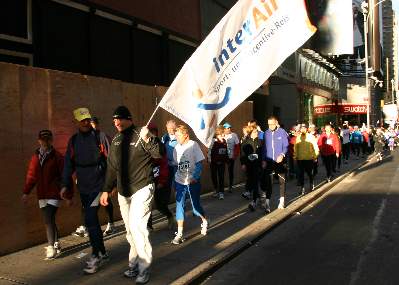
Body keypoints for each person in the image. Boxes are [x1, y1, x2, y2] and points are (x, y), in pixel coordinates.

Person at [100, 106, 161, 284]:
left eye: (119, 118)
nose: (116, 122)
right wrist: (106, 188)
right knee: (129, 231)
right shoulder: (117, 140)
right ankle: (133, 265)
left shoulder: (142, 133)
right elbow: (111, 167)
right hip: (123, 192)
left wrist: (149, 139)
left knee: (138, 228)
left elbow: (159, 153)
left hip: (142, 187)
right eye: (114, 119)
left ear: (129, 118)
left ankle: (144, 269)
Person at [60, 107, 110, 274]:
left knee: (90, 218)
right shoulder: (73, 141)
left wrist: (110, 186)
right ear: (76, 122)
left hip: (98, 185)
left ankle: (96, 255)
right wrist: (65, 185)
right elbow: (68, 164)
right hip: (83, 186)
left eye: (87, 119)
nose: (85, 123)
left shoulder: (99, 137)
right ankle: (102, 252)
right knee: (92, 220)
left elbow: (111, 162)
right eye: (82, 120)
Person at [22, 130, 65, 260]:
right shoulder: (35, 157)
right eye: (42, 139)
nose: (45, 142)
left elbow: (65, 175)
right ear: (39, 140)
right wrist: (26, 192)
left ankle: (51, 247)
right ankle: (57, 243)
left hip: (54, 193)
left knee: (47, 218)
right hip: (42, 194)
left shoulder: (57, 156)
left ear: (51, 140)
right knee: (50, 219)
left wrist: (67, 193)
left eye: (47, 139)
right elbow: (31, 176)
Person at [171, 125, 208, 245]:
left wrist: (194, 177)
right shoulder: (176, 147)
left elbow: (200, 163)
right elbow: (177, 165)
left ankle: (204, 220)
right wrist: (174, 182)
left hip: (192, 182)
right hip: (180, 181)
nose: (176, 138)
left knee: (196, 207)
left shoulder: (193, 145)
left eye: (178, 135)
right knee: (179, 207)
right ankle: (180, 234)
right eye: (175, 136)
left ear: (185, 135)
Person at [146, 122, 175, 231]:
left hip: (159, 180)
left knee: (159, 205)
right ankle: (148, 226)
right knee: (147, 204)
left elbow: (163, 164)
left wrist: (162, 181)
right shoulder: (143, 144)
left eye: (153, 132)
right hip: (147, 179)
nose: (151, 134)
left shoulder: (160, 145)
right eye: (150, 132)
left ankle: (169, 215)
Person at [90, 116, 115, 236]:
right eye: (90, 124)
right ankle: (87, 226)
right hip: (91, 175)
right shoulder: (87, 139)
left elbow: (109, 156)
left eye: (94, 124)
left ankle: (111, 223)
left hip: (103, 173)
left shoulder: (102, 136)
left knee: (106, 199)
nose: (92, 126)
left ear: (97, 125)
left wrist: (111, 175)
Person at [262, 116, 289, 212]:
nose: (270, 126)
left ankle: (282, 201)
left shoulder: (282, 132)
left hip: (280, 161)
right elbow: (264, 148)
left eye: (272, 124)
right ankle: (267, 204)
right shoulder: (266, 133)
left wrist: (282, 154)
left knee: (282, 181)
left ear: (276, 122)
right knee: (269, 182)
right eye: (269, 124)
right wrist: (264, 160)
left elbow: (286, 146)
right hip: (269, 161)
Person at [240, 126, 263, 211]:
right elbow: (242, 154)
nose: (256, 133)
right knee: (252, 182)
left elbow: (263, 153)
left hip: (257, 166)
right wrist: (243, 164)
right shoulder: (245, 142)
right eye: (254, 132)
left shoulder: (260, 142)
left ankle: (255, 200)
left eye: (257, 131)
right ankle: (255, 197)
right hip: (249, 166)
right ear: (250, 133)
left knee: (256, 182)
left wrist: (263, 161)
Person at [293, 124, 318, 195]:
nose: (303, 130)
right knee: (301, 174)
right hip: (300, 159)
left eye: (304, 128)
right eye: (302, 129)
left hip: (309, 158)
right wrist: (295, 157)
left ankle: (311, 183)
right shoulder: (298, 137)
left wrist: (315, 156)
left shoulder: (311, 137)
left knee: (310, 173)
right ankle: (302, 188)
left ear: (307, 129)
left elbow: (315, 147)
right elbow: (295, 148)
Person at [208, 126, 229, 200]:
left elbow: (226, 152)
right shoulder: (213, 141)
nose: (224, 134)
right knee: (214, 176)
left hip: (222, 163)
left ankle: (221, 192)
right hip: (214, 163)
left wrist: (227, 160)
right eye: (223, 132)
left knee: (221, 177)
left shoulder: (224, 141)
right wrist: (210, 160)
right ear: (219, 133)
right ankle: (216, 190)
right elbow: (209, 151)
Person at [223, 122, 240, 193]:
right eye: (228, 128)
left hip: (231, 157)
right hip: (223, 157)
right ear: (224, 129)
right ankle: (221, 188)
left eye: (230, 127)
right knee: (222, 172)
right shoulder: (221, 135)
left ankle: (230, 186)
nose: (229, 129)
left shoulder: (234, 135)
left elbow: (237, 145)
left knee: (230, 171)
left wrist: (235, 155)